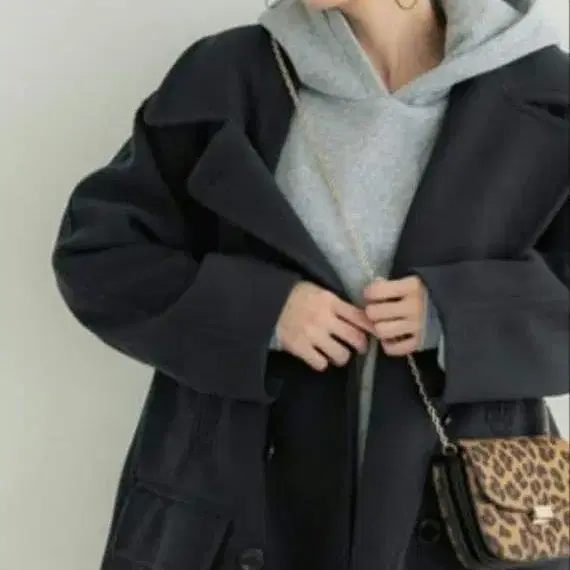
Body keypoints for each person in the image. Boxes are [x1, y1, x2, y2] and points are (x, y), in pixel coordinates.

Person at [52, 0, 569, 568]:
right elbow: (99, 252)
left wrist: (456, 314)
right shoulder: (227, 73)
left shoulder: (547, 91)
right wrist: (263, 311)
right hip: (236, 508)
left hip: (473, 518)